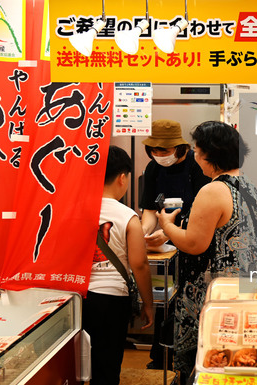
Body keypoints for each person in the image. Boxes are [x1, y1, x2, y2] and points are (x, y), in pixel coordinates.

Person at [157, 121, 257, 383]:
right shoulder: (247, 184)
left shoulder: (213, 189)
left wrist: (167, 226)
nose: (195, 155)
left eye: (197, 150)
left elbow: (195, 244)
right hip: (245, 282)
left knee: (210, 358)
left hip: (213, 290)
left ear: (211, 155)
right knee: (238, 354)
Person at [139, 119, 211, 369]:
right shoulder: (153, 169)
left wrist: (169, 232)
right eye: (154, 151)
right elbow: (149, 210)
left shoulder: (198, 167)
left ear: (180, 147)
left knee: (189, 300)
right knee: (166, 300)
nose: (159, 156)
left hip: (196, 244)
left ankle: (188, 362)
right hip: (166, 248)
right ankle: (162, 359)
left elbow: (203, 215)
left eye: (165, 151)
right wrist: (142, 233)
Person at [83, 145, 154, 385]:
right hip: (111, 298)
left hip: (76, 296)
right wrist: (148, 304)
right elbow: (140, 264)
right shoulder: (127, 216)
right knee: (107, 363)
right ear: (122, 178)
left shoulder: (74, 210)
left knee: (78, 363)